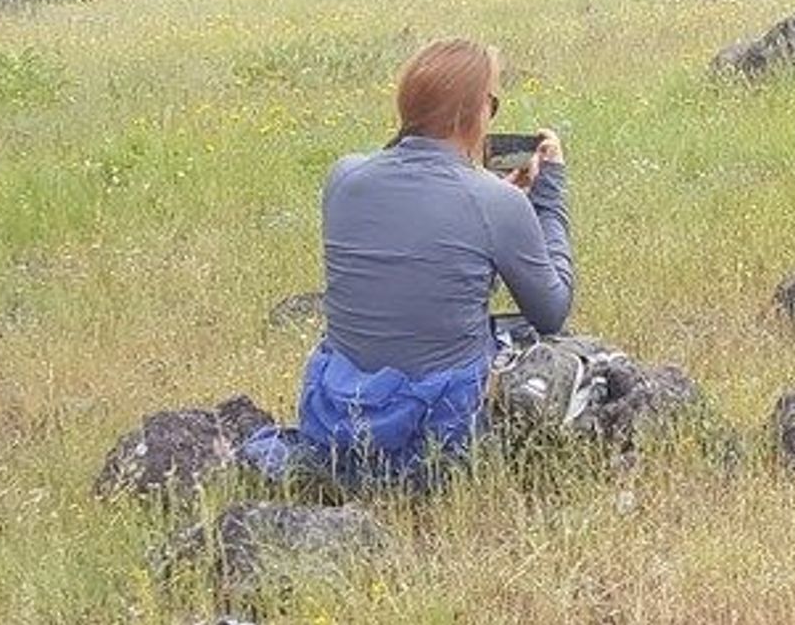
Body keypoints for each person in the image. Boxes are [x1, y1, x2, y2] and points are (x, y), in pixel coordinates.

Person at [242, 37, 571, 489]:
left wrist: (497, 199)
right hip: (437, 437)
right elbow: (551, 311)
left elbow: (415, 245)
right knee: (553, 350)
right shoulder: (496, 203)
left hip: (334, 419)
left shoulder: (344, 176)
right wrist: (546, 199)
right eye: (491, 103)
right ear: (475, 111)